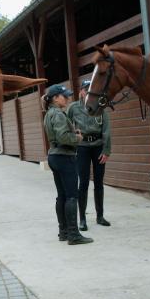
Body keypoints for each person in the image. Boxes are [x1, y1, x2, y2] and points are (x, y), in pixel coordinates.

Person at [43, 84, 93, 245]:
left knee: (62, 196)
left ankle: (63, 232)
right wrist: (77, 138)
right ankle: (73, 235)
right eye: (65, 96)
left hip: (55, 156)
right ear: (55, 98)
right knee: (72, 196)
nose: (68, 98)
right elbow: (63, 137)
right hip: (64, 157)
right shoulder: (58, 115)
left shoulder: (49, 113)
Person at [68, 80, 111, 231]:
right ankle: (83, 219)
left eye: (90, 89)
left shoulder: (100, 106)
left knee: (99, 182)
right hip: (82, 148)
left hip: (98, 146)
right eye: (86, 89)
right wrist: (71, 144)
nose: (87, 92)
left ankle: (100, 216)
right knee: (84, 183)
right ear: (81, 91)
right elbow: (67, 125)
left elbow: (106, 129)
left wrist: (106, 151)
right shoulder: (73, 107)